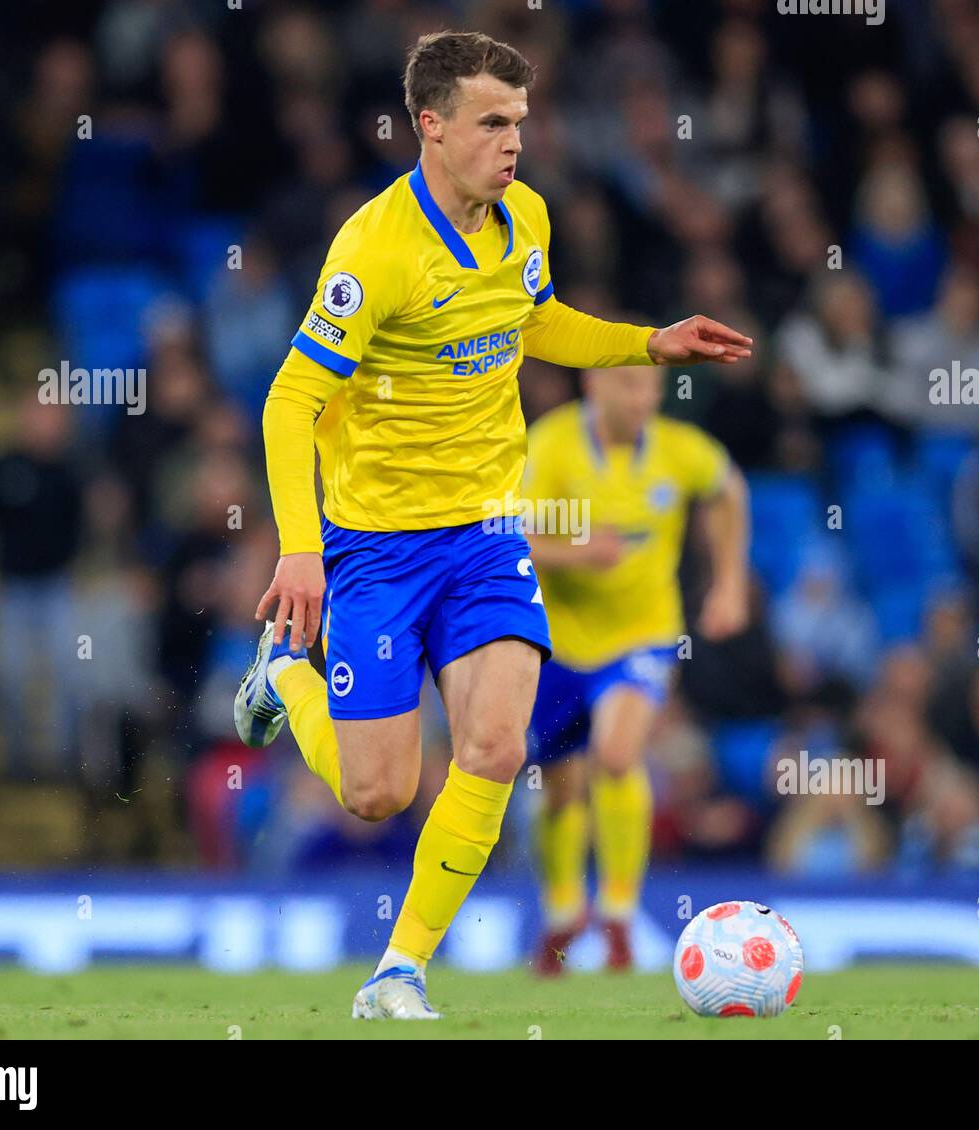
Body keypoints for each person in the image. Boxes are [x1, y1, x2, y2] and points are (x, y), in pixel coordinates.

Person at [232, 30, 751, 1020]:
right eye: (491, 123)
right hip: (374, 547)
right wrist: (299, 548)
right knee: (377, 791)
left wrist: (646, 342)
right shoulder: (375, 250)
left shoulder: (527, 217)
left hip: (484, 535)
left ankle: (398, 969)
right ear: (430, 127)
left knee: (497, 747)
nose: (514, 141)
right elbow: (288, 401)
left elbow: (535, 318)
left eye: (520, 121)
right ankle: (284, 676)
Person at [522, 365, 750, 973]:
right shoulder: (550, 444)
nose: (644, 397)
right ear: (594, 385)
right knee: (560, 787)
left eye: (651, 386)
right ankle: (563, 913)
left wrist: (729, 583)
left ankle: (618, 914)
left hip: (643, 637)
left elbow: (729, 489)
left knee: (618, 756)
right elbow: (501, 531)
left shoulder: (679, 451)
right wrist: (577, 551)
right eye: (629, 384)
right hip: (559, 644)